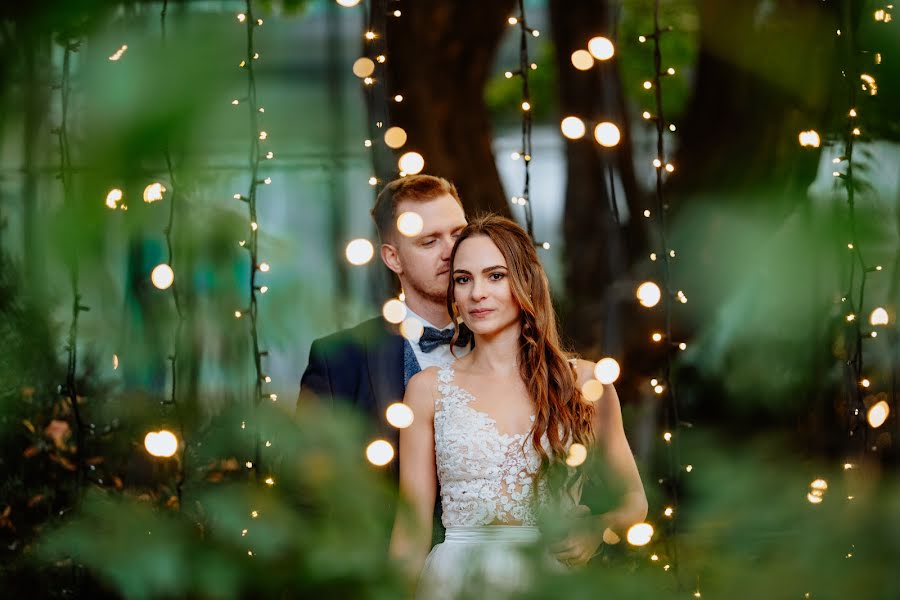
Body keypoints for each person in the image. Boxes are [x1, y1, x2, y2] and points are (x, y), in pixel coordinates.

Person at [389, 215, 647, 599]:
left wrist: (597, 529)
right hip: (456, 583)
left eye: (495, 275)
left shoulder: (585, 382)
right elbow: (410, 532)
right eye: (463, 279)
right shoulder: (428, 390)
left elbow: (634, 502)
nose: (477, 293)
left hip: (549, 580)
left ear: (526, 281)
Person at [298, 174, 471, 540]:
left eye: (458, 234)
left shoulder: (514, 346)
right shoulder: (339, 360)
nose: (450, 251)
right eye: (429, 241)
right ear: (393, 258)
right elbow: (308, 494)